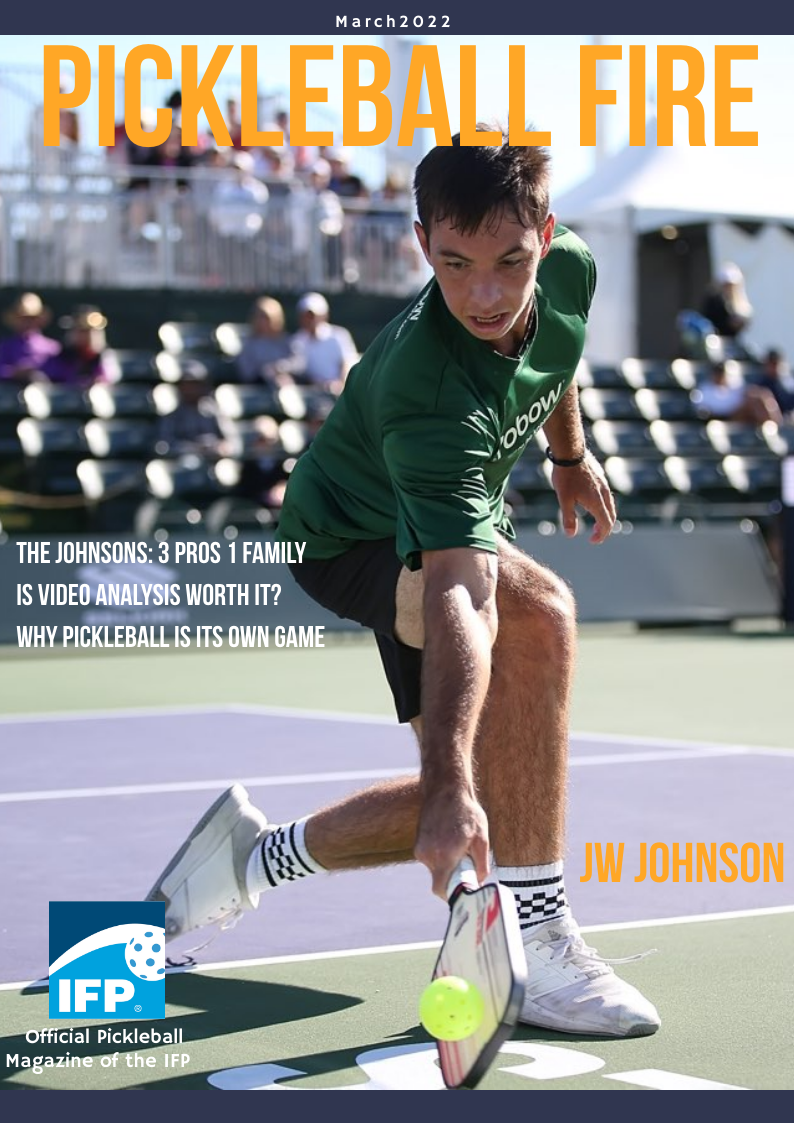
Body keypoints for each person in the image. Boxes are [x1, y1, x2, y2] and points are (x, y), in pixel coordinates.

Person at [147, 130, 660, 1039]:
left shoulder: (571, 269)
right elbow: (462, 591)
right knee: (536, 622)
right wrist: (454, 782)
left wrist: (569, 455)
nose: (486, 295)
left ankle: (248, 860)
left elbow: (559, 352)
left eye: (510, 262)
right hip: (350, 537)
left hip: (448, 514)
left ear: (546, 236)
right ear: (422, 244)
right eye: (456, 265)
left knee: (483, 789)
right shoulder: (429, 387)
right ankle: (539, 941)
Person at [290, 292, 358, 394]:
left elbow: (348, 362)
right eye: (306, 316)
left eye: (313, 315)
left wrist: (341, 384)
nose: (310, 319)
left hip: (341, 393)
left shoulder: (339, 335)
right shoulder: (296, 341)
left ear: (324, 315)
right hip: (312, 394)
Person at [40, 306, 112, 387]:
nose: (87, 335)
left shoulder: (104, 358)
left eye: (91, 331)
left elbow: (108, 380)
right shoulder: (60, 357)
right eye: (82, 331)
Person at [695, 360, 782, 425]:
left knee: (762, 395)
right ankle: (773, 426)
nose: (720, 375)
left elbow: (745, 394)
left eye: (721, 372)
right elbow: (703, 411)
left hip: (741, 414)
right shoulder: (704, 389)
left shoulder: (733, 385)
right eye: (717, 372)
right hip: (723, 419)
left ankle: (775, 425)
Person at [235, 297, 297, 385]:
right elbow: (246, 373)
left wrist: (280, 368)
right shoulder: (249, 344)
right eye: (259, 317)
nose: (262, 321)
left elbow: (298, 363)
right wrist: (266, 374)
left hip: (288, 386)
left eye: (266, 317)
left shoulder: (287, 341)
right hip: (259, 388)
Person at [0, 293, 60, 382]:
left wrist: (37, 373)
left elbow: (61, 374)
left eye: (32, 318)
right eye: (23, 318)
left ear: (39, 320)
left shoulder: (52, 347)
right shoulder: (5, 346)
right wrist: (15, 372)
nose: (27, 322)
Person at [701, 263, 754, 359]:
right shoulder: (714, 300)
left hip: (734, 343)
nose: (730, 288)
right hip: (717, 343)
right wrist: (728, 323)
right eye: (727, 285)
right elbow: (711, 321)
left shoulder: (738, 302)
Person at [756, 349, 794, 419]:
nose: (775, 368)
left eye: (776, 364)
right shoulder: (761, 384)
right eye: (772, 364)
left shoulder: (787, 381)